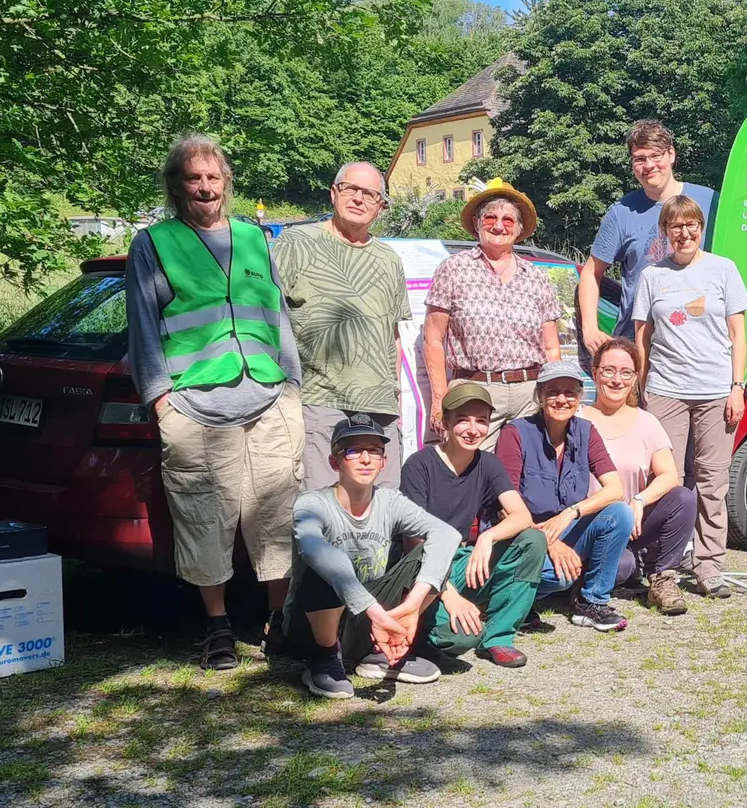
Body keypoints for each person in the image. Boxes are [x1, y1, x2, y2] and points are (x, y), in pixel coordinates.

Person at [125, 133, 304, 671]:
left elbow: (277, 316)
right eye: (193, 178)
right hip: (195, 407)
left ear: (226, 181)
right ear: (176, 186)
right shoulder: (154, 243)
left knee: (277, 516)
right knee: (204, 519)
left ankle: (278, 622)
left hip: (268, 398)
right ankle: (218, 627)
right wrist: (161, 401)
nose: (205, 187)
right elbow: (143, 327)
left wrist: (292, 386)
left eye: (212, 176)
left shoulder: (254, 238)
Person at [281, 415, 462, 699]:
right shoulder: (312, 503)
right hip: (313, 625)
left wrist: (411, 607)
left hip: (371, 621)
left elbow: (447, 534)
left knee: (433, 552)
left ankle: (382, 652)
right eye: (353, 451)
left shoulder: (390, 501)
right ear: (335, 462)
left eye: (374, 450)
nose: (365, 459)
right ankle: (324, 657)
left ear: (383, 462)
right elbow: (314, 549)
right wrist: (375, 613)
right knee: (324, 561)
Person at [632, 195, 747, 599]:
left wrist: (737, 387)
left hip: (716, 391)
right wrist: (641, 390)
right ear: (665, 231)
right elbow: (642, 338)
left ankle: (709, 565)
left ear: (701, 228)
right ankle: (661, 566)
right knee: (667, 481)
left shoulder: (724, 269)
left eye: (691, 225)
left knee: (712, 481)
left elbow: (738, 334)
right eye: (675, 226)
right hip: (665, 389)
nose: (684, 233)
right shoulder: (652, 276)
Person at [273, 162, 409, 489]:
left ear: (380, 206)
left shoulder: (389, 259)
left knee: (383, 505)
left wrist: (397, 398)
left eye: (369, 194)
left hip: (380, 406)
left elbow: (392, 336)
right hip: (319, 401)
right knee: (322, 505)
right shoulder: (296, 242)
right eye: (351, 189)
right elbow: (267, 316)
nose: (359, 199)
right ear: (334, 193)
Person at [400, 383, 547, 667]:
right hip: (422, 570)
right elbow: (413, 545)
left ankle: (498, 638)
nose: (473, 429)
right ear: (445, 423)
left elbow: (521, 515)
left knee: (531, 540)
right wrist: (448, 594)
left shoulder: (488, 463)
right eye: (462, 420)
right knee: (461, 637)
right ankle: (418, 635)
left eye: (481, 420)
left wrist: (487, 538)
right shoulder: (419, 465)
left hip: (462, 561)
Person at [422, 178, 562, 450]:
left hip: (529, 394)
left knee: (528, 467)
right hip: (474, 391)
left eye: (508, 220)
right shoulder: (454, 269)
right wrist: (439, 399)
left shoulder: (537, 277)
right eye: (490, 218)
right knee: (471, 468)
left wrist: (553, 393)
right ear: (477, 223)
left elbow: (551, 347)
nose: (499, 226)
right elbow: (433, 339)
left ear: (519, 229)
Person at [495, 361, 634, 632]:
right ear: (540, 395)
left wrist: (571, 513)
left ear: (580, 397)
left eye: (570, 392)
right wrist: (548, 542)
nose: (562, 399)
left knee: (620, 513)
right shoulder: (516, 433)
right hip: (523, 537)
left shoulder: (586, 431)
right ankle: (507, 598)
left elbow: (615, 488)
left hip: (565, 529)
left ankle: (591, 603)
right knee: (559, 577)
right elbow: (504, 506)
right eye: (553, 392)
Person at [578, 119, 720, 356]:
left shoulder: (711, 203)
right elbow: (591, 272)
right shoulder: (622, 213)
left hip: (698, 346)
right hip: (637, 345)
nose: (649, 165)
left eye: (656, 156)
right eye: (640, 159)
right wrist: (590, 327)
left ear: (671, 154)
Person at [577, 338, 692, 616]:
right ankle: (579, 575)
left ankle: (663, 578)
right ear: (594, 373)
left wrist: (639, 500)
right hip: (587, 524)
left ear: (635, 377)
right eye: (609, 370)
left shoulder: (646, 422)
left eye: (626, 372)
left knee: (683, 498)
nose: (617, 380)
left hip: (631, 523)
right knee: (623, 569)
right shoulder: (578, 418)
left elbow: (669, 475)